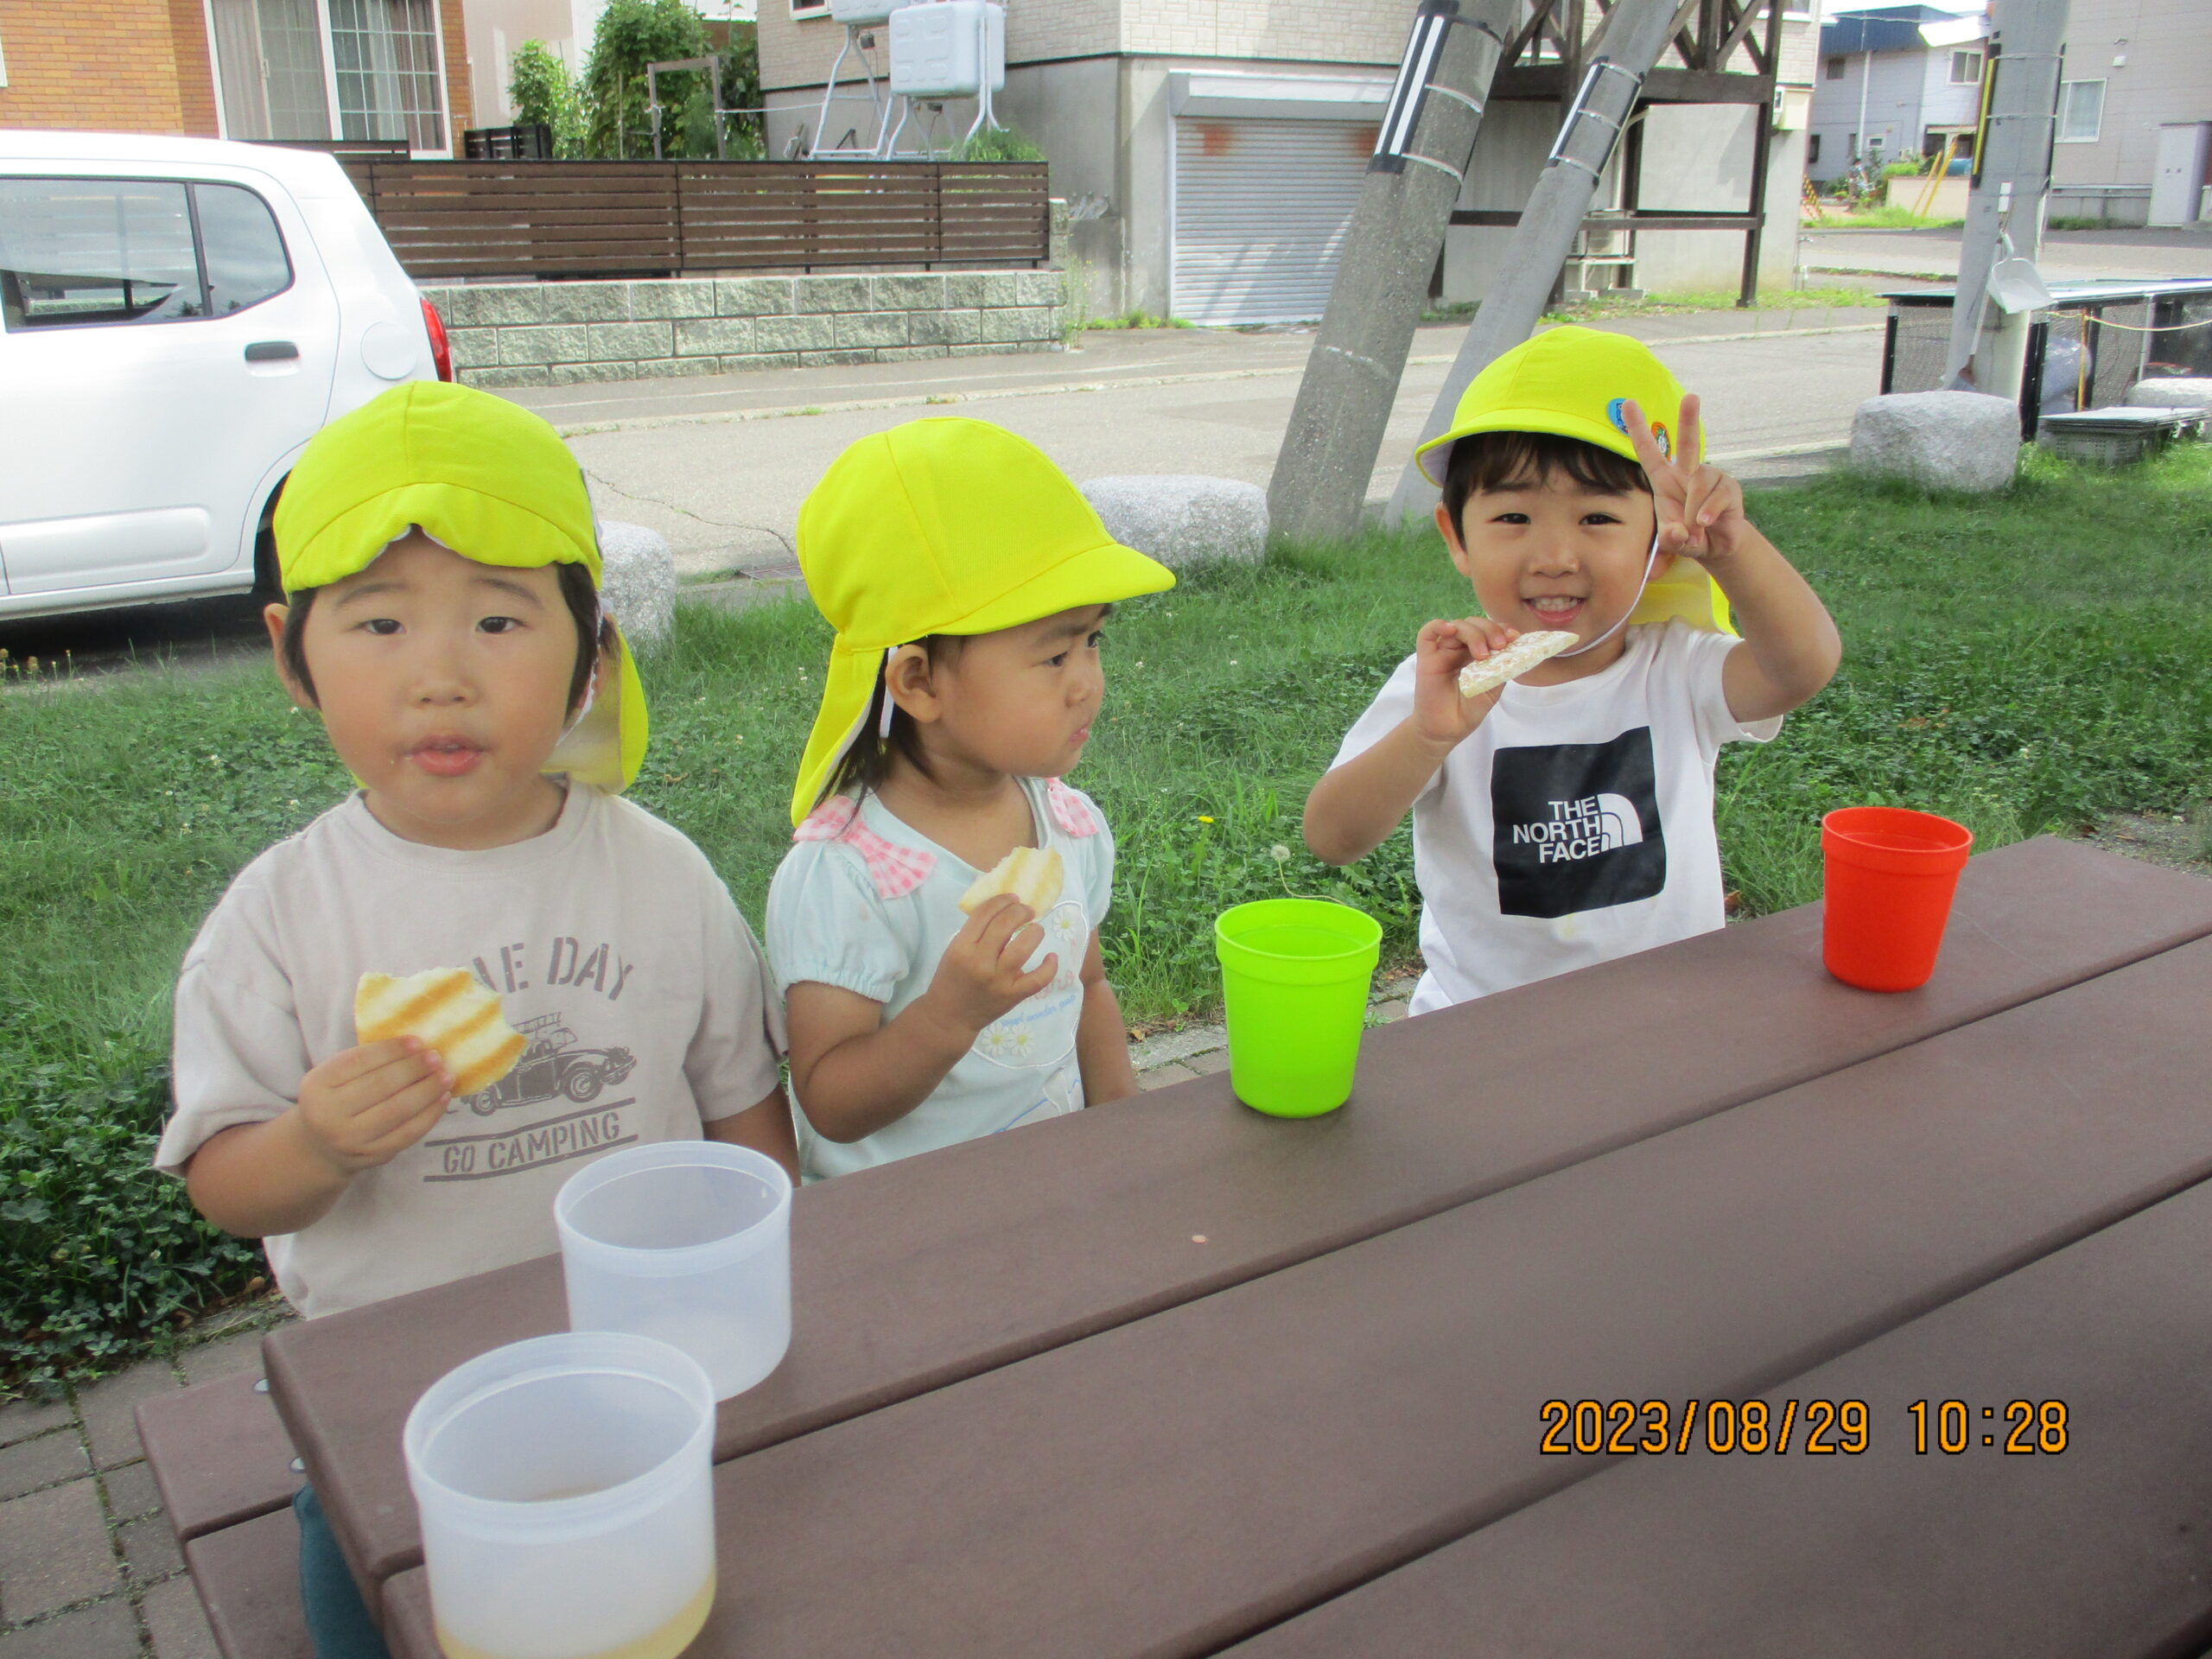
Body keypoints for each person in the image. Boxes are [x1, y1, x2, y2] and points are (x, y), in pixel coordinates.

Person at [154, 381, 792, 1659]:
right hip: (392, 1393)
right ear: (290, 653)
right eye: (378, 623)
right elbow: (227, 1186)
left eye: (499, 620)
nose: (438, 678)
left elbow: (744, 1119)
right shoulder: (279, 920)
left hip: (641, 1371)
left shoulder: (660, 877)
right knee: (374, 1597)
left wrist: (745, 1284)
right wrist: (319, 1147)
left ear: (592, 653)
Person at [1303, 327, 1841, 1009]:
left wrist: (1731, 551)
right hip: (1484, 1031)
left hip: (1670, 1019)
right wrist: (1428, 737)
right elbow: (1332, 837)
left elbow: (1803, 666)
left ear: (1661, 547)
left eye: (1596, 518)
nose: (1554, 554)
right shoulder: (1443, 683)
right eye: (1514, 516)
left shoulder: (1676, 669)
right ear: (1456, 537)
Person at [766, 417, 1173, 1181]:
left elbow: (1086, 986)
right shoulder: (850, 874)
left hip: (1052, 1187)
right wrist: (946, 1016)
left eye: (1094, 641)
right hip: (908, 1230)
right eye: (1053, 653)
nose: (1087, 681)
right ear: (919, 682)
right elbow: (829, 1099)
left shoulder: (1067, 825)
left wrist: (1127, 1139)